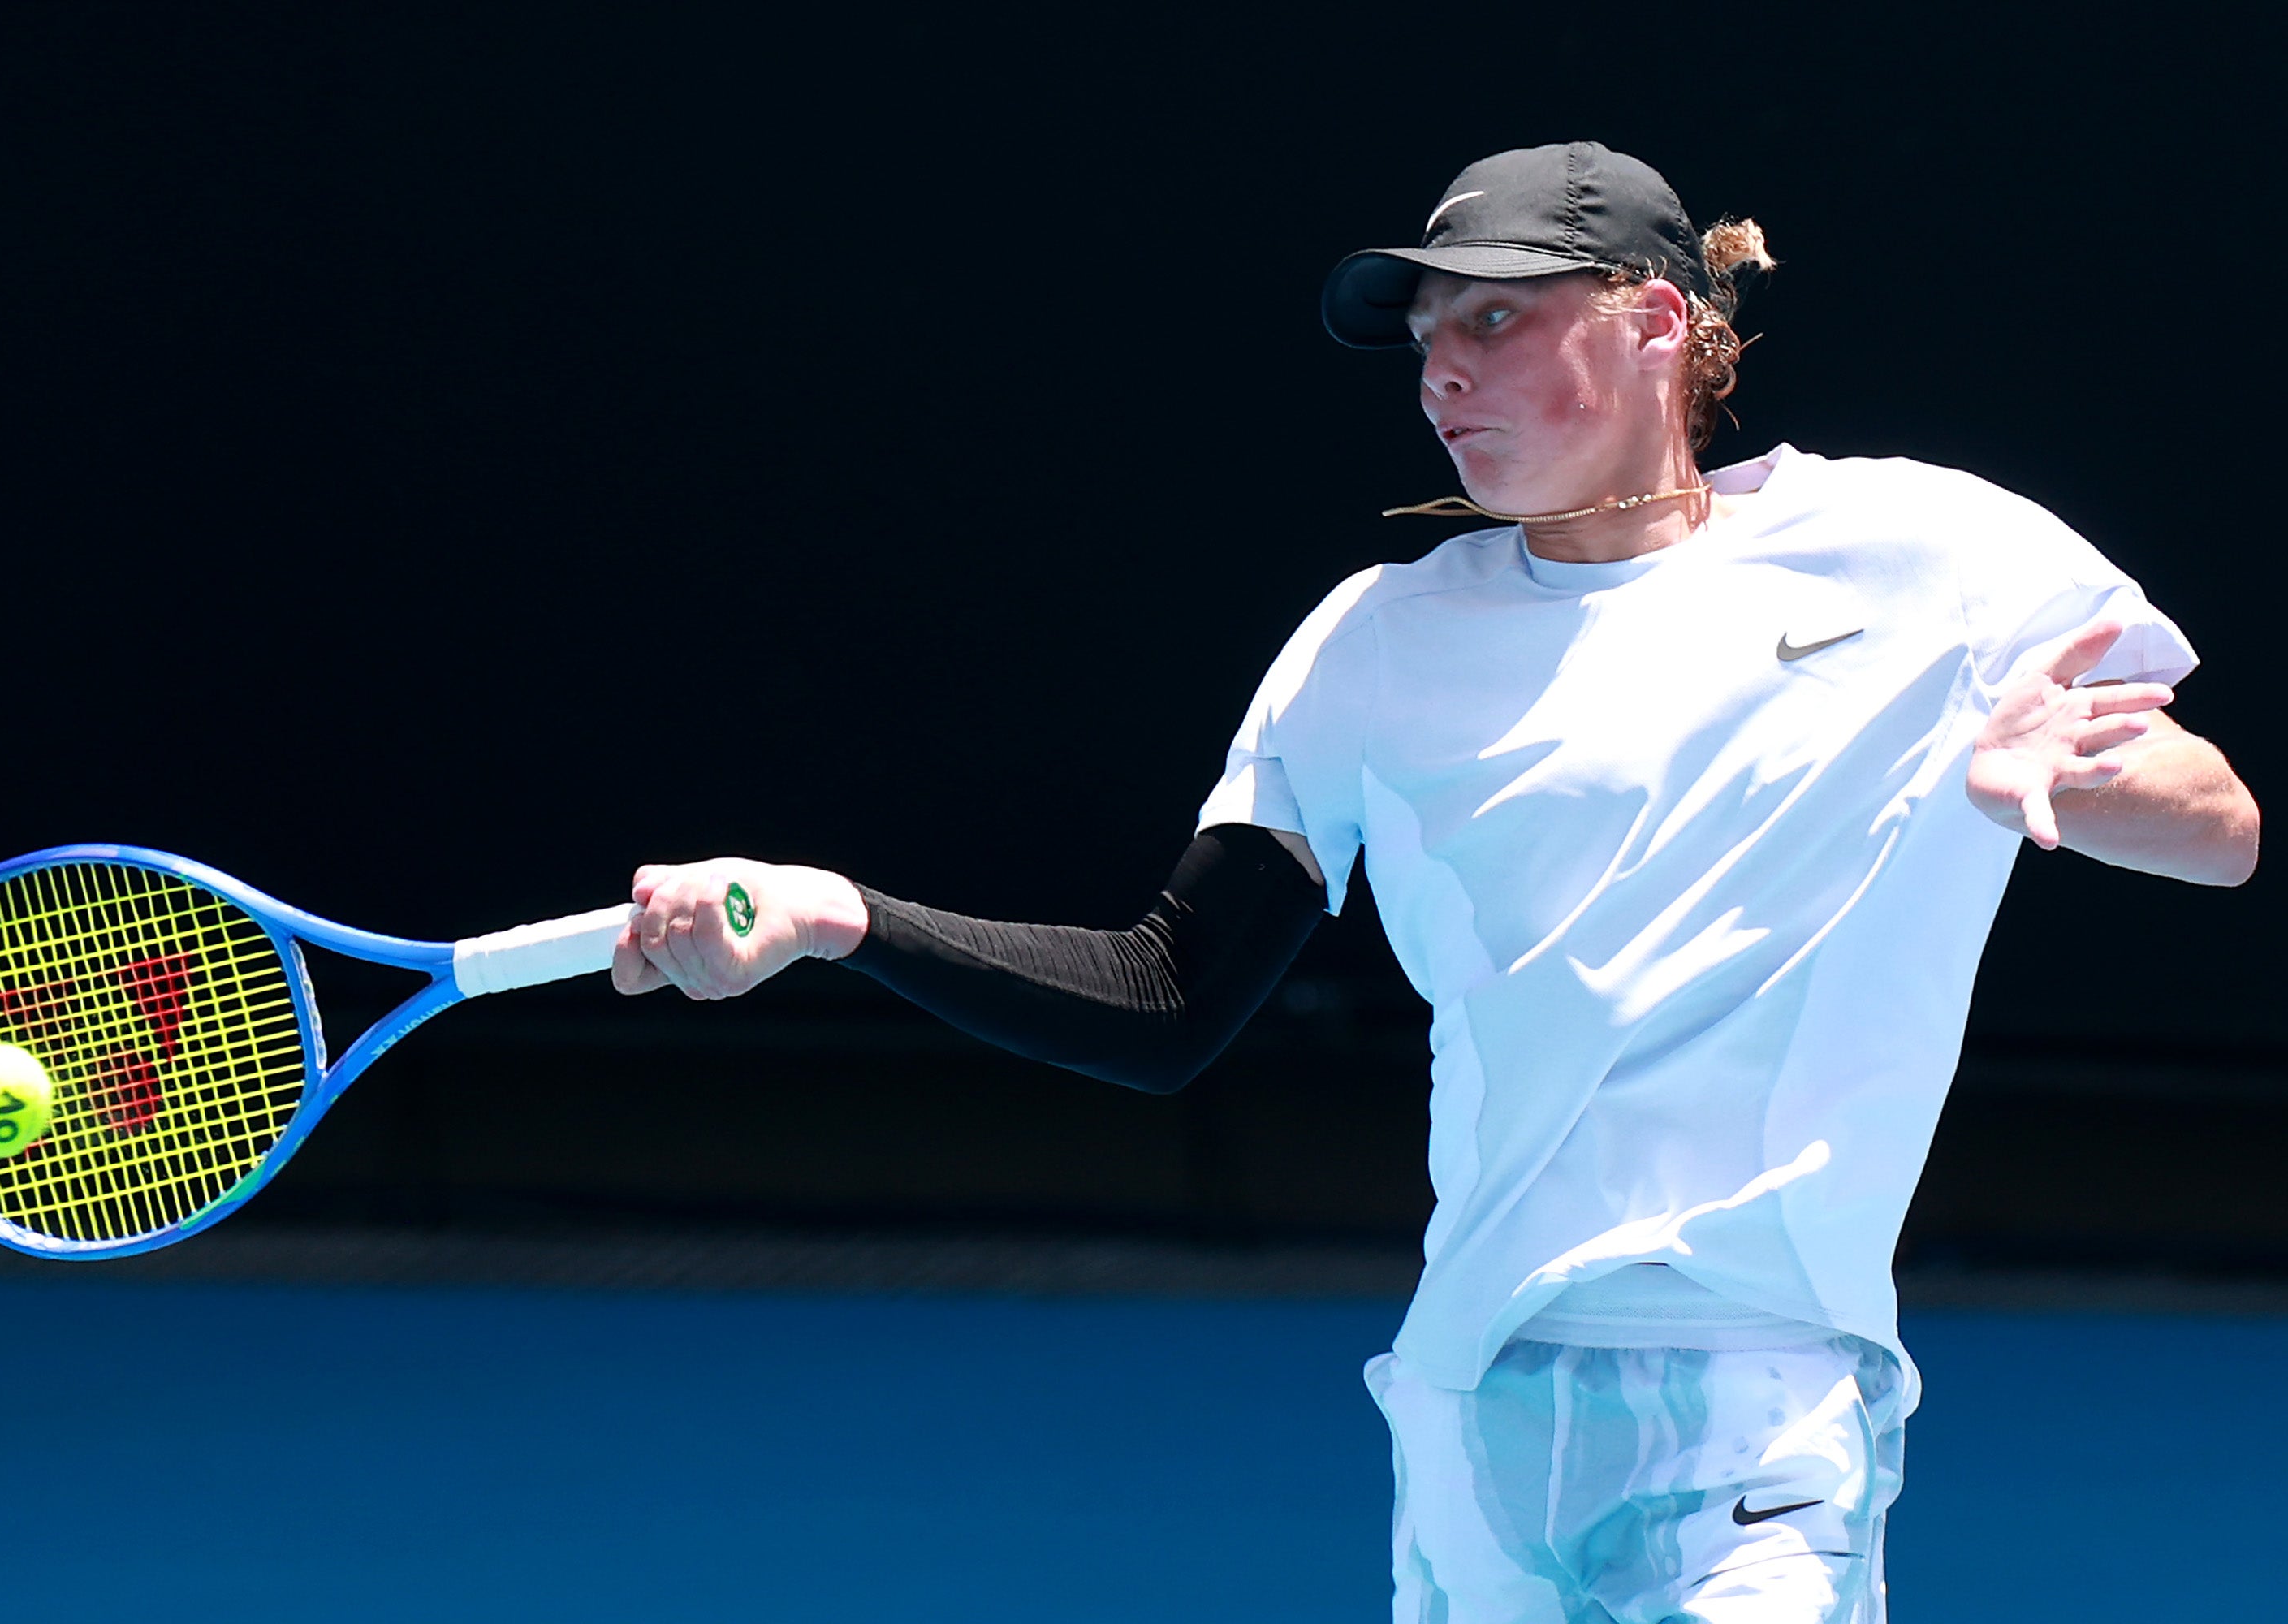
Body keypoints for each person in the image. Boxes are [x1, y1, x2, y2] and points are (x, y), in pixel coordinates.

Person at [609, 141, 2259, 1622]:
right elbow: (1168, 1000)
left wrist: (2082, 782)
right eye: (1423, 346)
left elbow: (2223, 822)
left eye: (1489, 324)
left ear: (1656, 325)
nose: (1441, 380)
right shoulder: (1374, 644)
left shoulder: (1931, 556)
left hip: (1769, 1398)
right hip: (1474, 1415)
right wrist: (842, 917)